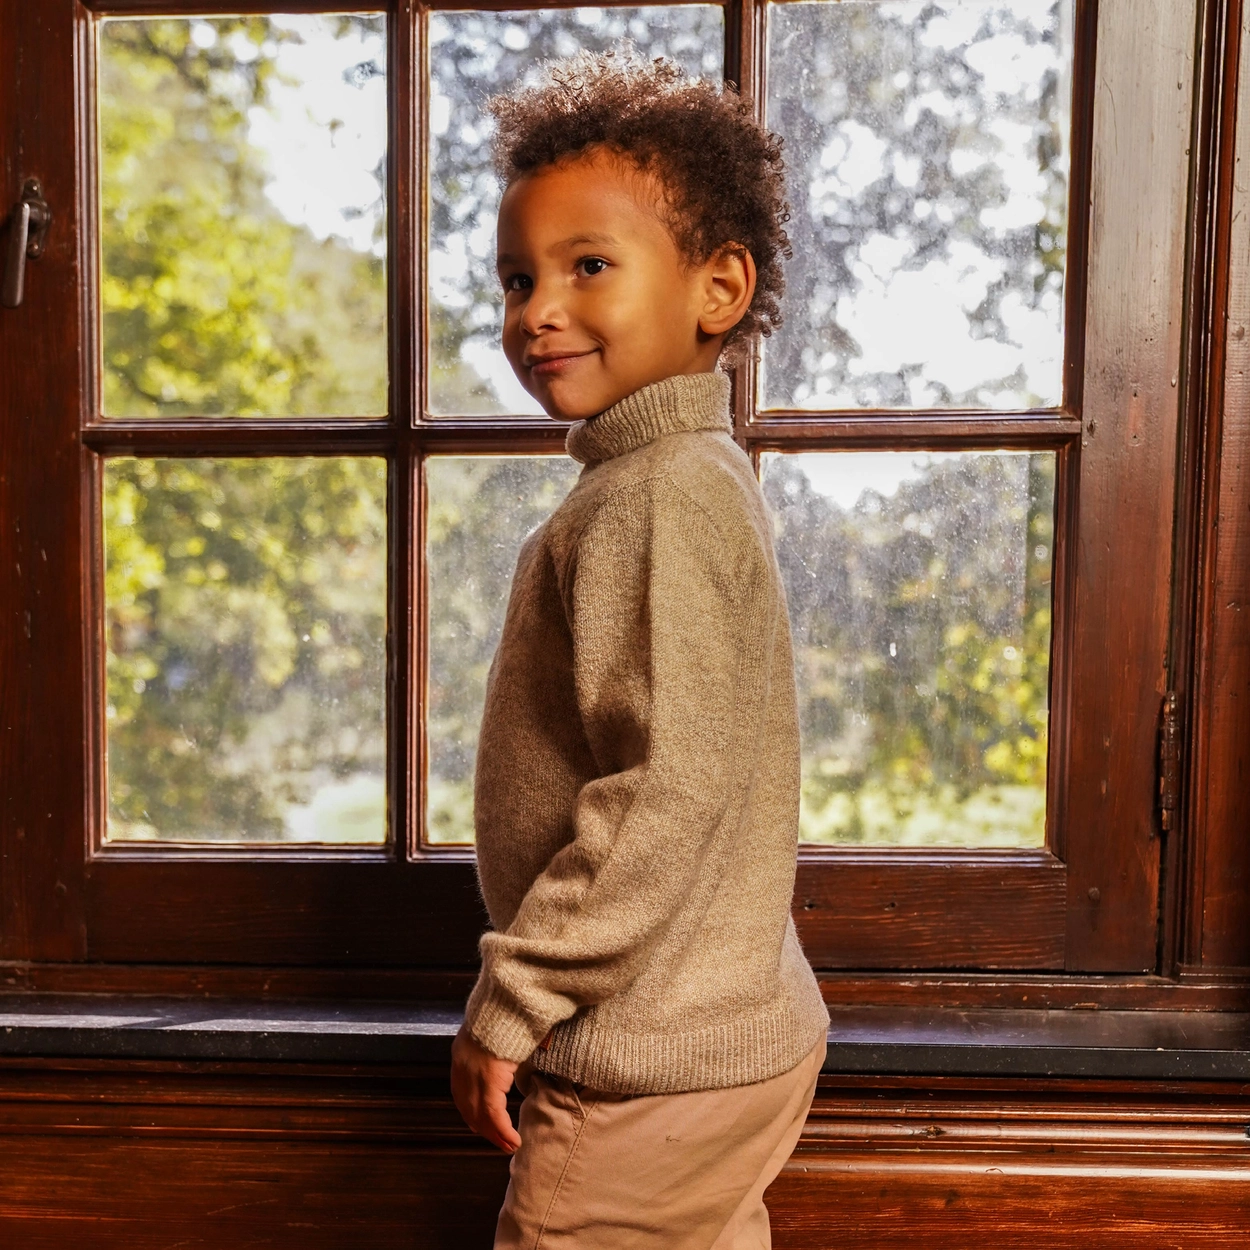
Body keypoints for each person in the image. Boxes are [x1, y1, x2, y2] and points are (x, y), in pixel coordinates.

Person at [449, 50, 830, 1250]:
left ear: (717, 286)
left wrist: (514, 996)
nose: (536, 310)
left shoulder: (655, 495)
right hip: (716, 1029)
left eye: (587, 267)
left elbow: (664, 789)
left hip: (648, 1061)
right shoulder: (678, 476)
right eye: (517, 278)